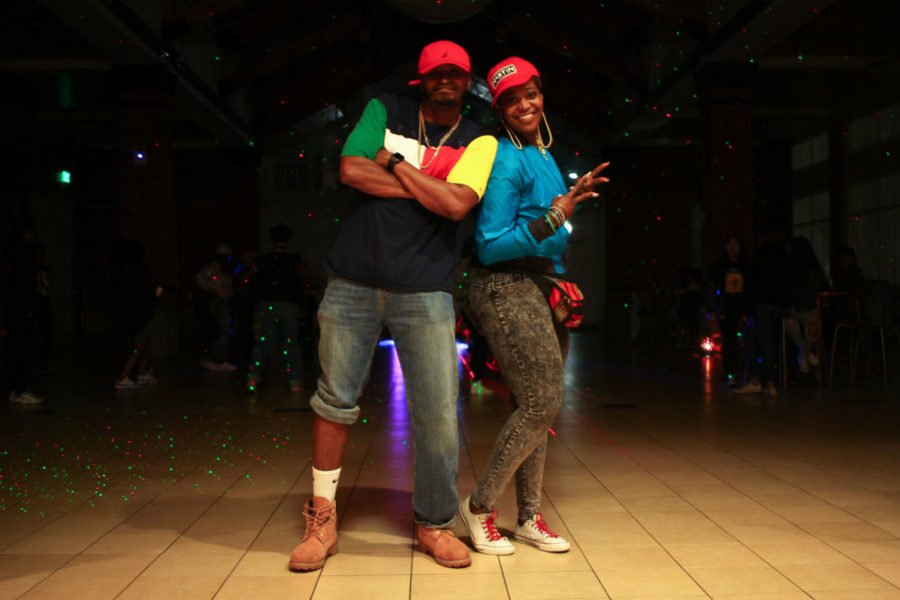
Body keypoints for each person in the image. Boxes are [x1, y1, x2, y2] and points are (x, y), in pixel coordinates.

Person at [289, 41, 498, 572]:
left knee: (436, 414)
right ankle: (322, 517)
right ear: (422, 78)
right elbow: (352, 172)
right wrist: (430, 188)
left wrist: (398, 163)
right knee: (333, 401)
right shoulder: (385, 108)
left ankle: (433, 523)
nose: (445, 80)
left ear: (467, 80)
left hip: (426, 286)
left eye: (455, 74)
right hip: (352, 279)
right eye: (436, 73)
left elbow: (458, 205)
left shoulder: (480, 136)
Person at [458, 57, 609, 555]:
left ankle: (528, 517)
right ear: (498, 109)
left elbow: (548, 217)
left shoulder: (542, 154)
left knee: (535, 405)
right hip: (505, 283)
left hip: (543, 284)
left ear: (542, 95)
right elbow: (489, 244)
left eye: (531, 94)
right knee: (543, 402)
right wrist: (555, 215)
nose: (524, 104)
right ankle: (479, 507)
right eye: (511, 99)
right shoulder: (505, 156)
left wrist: (571, 195)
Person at [245, 225, 308, 393]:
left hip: (267, 305)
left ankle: (253, 378)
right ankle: (295, 382)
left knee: (263, 343)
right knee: (291, 344)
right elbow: (306, 282)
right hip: (290, 305)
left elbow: (247, 279)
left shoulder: (263, 261)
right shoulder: (295, 262)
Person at [736, 230, 790, 395]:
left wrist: (746, 309)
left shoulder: (762, 258)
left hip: (762, 305)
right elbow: (788, 283)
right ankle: (759, 380)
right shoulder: (784, 258)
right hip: (777, 306)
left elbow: (753, 285)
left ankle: (767, 382)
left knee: (763, 341)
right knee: (752, 338)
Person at [4, 218, 44, 405]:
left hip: (15, 309)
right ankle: (20, 389)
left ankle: (16, 389)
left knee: (17, 351)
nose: (34, 236)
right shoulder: (23, 255)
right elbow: (25, 284)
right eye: (32, 233)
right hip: (21, 310)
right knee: (22, 351)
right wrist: (29, 309)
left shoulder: (14, 253)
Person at [113, 239, 161, 389]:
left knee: (144, 342)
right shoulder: (138, 272)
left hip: (134, 313)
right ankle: (124, 376)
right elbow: (143, 294)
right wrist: (155, 295)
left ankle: (142, 373)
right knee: (140, 344)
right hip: (138, 313)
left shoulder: (125, 271)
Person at [707, 235, 752, 387]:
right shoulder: (719, 266)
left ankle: (745, 374)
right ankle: (732, 374)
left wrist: (746, 311)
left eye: (735, 244)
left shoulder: (746, 266)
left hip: (742, 309)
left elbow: (749, 290)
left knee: (745, 342)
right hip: (725, 309)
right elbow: (712, 288)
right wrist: (713, 308)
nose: (732, 247)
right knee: (729, 343)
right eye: (729, 244)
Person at [785, 236, 829, 373]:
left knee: (813, 329)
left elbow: (823, 287)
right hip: (795, 308)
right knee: (791, 324)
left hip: (810, 308)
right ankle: (806, 353)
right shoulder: (789, 268)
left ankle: (803, 354)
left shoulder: (813, 269)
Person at [196, 244, 236, 371]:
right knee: (222, 330)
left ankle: (219, 359)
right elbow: (201, 278)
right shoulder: (214, 268)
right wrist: (215, 288)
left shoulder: (224, 269)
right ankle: (213, 359)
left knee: (223, 330)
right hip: (217, 302)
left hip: (222, 301)